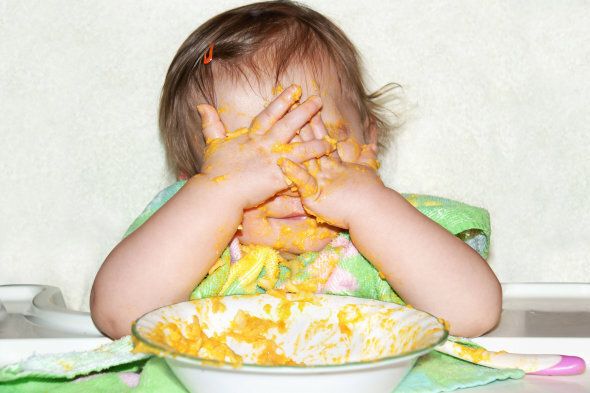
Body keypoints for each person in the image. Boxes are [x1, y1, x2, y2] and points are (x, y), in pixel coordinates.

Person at [91, 1, 501, 339]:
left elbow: (475, 315)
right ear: (190, 177)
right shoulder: (188, 243)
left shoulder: (395, 232)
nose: (289, 176)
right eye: (246, 162)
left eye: (318, 142)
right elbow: (118, 317)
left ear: (368, 141)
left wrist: (368, 206)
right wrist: (219, 194)